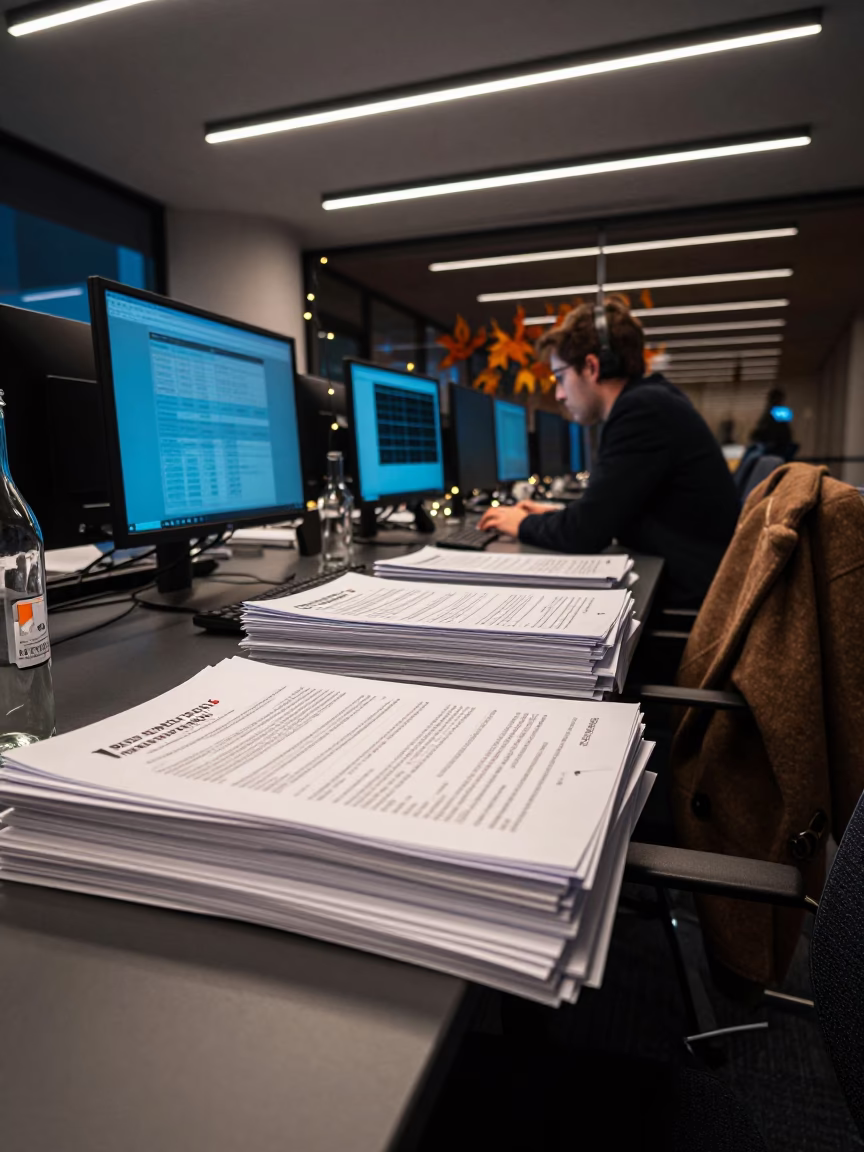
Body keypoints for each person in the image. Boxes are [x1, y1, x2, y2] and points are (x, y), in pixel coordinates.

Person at [478, 298, 740, 607]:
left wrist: (521, 524)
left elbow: (585, 534)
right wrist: (558, 515)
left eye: (560, 377)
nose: (559, 394)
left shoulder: (642, 411)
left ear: (592, 367)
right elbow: (610, 514)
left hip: (694, 601)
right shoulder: (653, 401)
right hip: (696, 579)